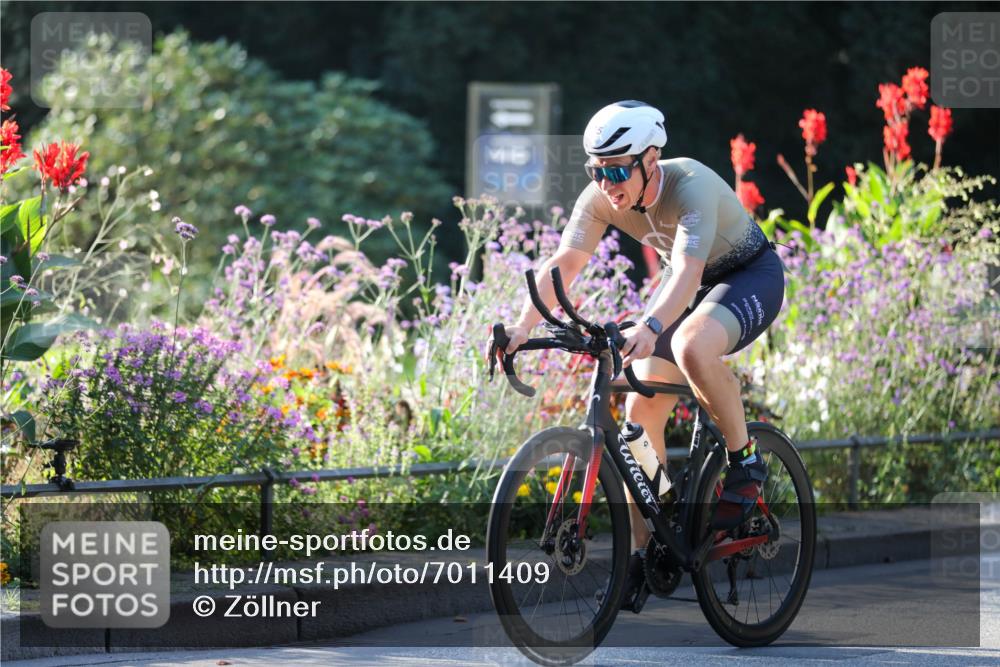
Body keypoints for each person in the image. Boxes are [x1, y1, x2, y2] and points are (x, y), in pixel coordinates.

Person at [489, 100, 785, 612]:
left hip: (746, 277)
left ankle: (746, 461)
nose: (607, 182)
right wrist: (521, 327)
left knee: (692, 344)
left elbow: (689, 274)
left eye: (618, 169)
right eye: (597, 170)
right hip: (687, 290)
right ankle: (644, 554)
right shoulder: (603, 196)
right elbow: (565, 264)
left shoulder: (689, 184)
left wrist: (650, 326)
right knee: (636, 420)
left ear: (651, 159)